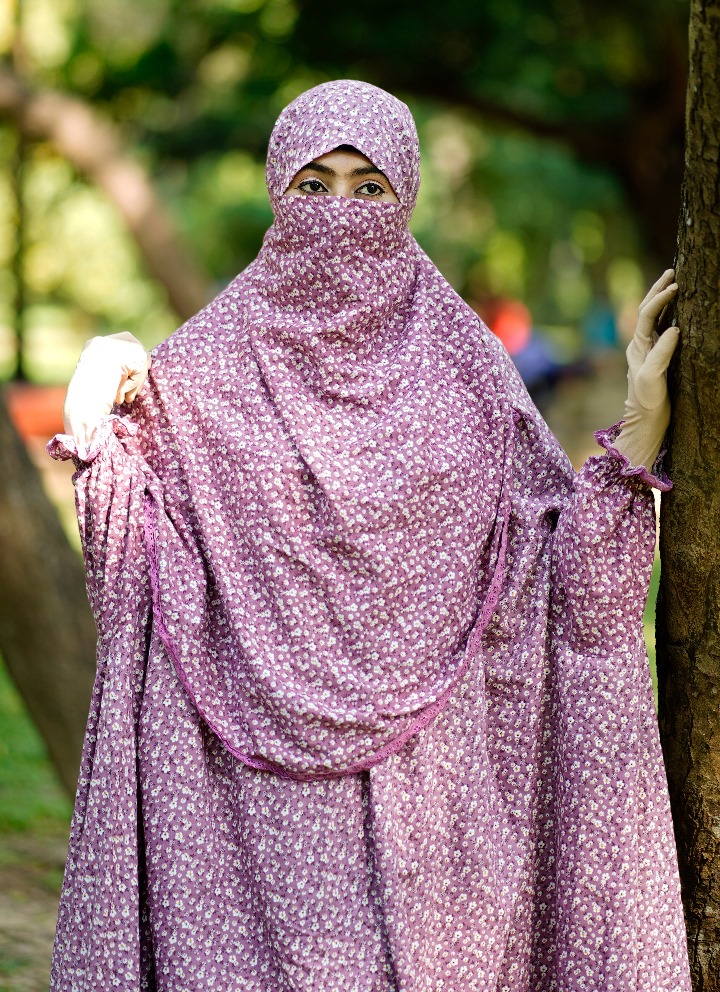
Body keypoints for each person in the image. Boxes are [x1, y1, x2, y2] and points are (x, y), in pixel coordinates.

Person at [50, 79, 690, 991]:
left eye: (370, 187)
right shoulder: (202, 374)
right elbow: (131, 587)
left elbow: (573, 594)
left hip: (435, 831)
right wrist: (94, 409)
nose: (340, 211)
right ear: (277, 192)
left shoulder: (465, 373)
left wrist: (639, 425)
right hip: (242, 833)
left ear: (406, 198)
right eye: (313, 185)